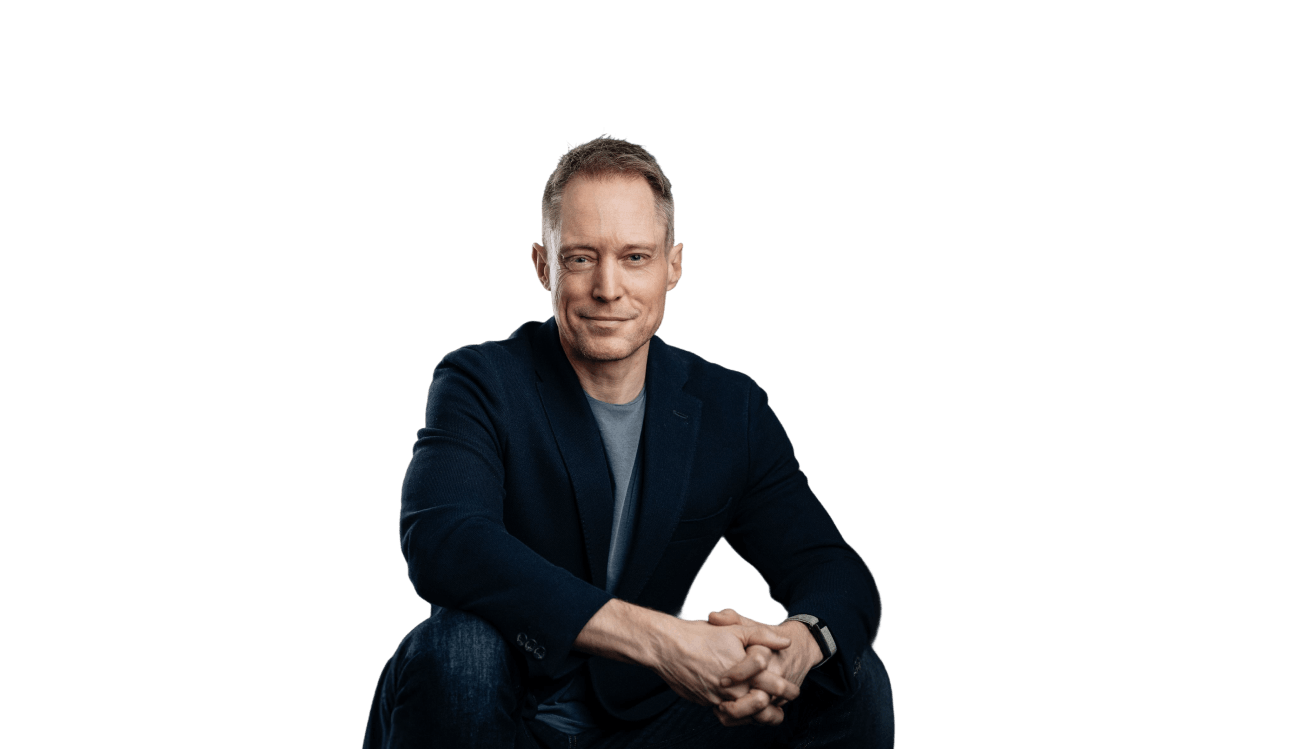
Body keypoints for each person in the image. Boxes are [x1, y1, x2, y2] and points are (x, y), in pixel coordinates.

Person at [363, 134, 893, 748]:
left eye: (635, 257)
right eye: (582, 258)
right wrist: (666, 641)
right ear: (543, 265)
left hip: (647, 721)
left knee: (848, 672)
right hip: (504, 702)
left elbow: (832, 567)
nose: (608, 288)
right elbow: (444, 540)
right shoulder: (480, 380)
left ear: (675, 266)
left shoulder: (730, 406)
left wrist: (796, 649)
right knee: (459, 648)